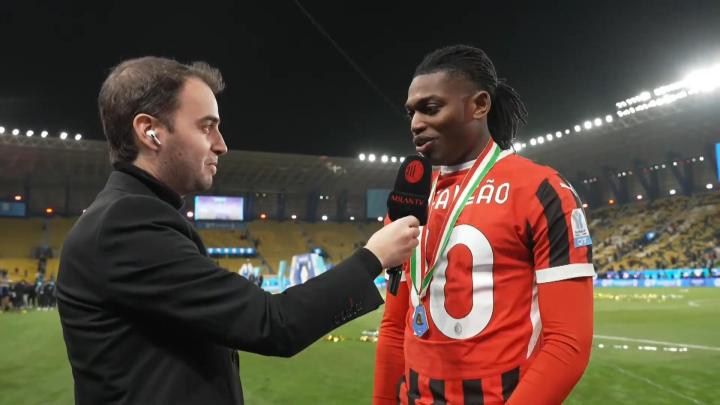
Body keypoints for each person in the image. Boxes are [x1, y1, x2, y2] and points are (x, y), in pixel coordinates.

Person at [57, 56, 420, 405]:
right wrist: (372, 258)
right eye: (206, 127)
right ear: (150, 132)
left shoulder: (138, 215)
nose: (221, 145)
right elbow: (274, 323)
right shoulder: (125, 223)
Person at [373, 45, 594, 405]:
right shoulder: (408, 202)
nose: (415, 123)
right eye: (411, 112)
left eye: (431, 108)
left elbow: (568, 343)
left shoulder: (541, 190)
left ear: (479, 105)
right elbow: (394, 327)